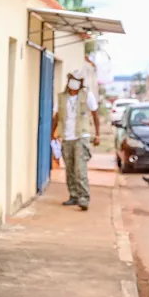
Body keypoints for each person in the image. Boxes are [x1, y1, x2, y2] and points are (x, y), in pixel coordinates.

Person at [52, 70, 100, 211]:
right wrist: (52, 133)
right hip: (66, 137)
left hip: (81, 136)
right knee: (70, 168)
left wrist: (97, 134)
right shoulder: (61, 97)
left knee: (80, 168)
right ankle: (73, 195)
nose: (74, 82)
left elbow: (95, 114)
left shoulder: (87, 96)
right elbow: (56, 117)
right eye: (72, 79)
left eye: (77, 80)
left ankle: (84, 197)